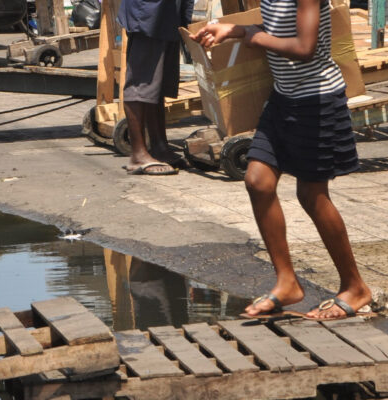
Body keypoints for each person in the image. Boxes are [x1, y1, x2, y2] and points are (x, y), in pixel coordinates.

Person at [193, 0, 373, 320]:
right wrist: (232, 30)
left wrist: (251, 36)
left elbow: (305, 47)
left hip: (317, 101)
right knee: (258, 182)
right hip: (283, 98)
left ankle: (355, 286)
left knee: (312, 195)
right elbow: (276, 29)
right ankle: (287, 283)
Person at [116, 0, 194, 175]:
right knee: (141, 80)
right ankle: (138, 155)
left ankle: (159, 146)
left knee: (156, 82)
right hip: (149, 10)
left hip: (168, 11)